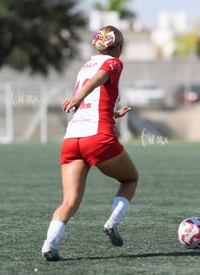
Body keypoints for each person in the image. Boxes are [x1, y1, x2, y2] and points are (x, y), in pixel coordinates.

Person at [41, 25, 138, 261]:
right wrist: (78, 96)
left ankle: (49, 245)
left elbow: (93, 101)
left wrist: (114, 114)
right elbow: (100, 78)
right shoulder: (114, 63)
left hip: (72, 139)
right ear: (119, 48)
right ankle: (112, 223)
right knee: (130, 178)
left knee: (70, 201)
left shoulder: (84, 66)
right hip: (98, 138)